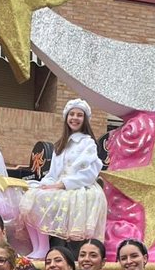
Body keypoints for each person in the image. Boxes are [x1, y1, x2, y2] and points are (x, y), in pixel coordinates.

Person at [20, 99, 106, 257]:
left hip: (79, 187)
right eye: (71, 114)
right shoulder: (60, 144)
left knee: (46, 199)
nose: (75, 118)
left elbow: (88, 174)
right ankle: (40, 246)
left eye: (79, 115)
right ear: (66, 117)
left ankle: (48, 248)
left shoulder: (88, 143)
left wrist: (62, 185)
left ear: (85, 119)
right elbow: (53, 173)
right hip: (59, 185)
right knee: (31, 195)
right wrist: (46, 184)